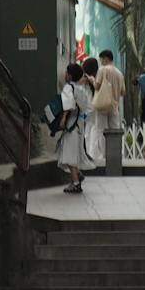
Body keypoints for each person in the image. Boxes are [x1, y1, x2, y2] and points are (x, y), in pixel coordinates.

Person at [55, 62, 94, 194]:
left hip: (71, 124)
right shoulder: (82, 89)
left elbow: (68, 104)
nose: (64, 75)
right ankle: (76, 176)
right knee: (73, 151)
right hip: (79, 124)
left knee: (69, 153)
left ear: (70, 76)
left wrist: (63, 118)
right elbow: (87, 107)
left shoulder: (68, 88)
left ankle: (76, 182)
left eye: (66, 72)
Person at [90, 48, 124, 171]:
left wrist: (92, 80)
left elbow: (97, 86)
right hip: (114, 106)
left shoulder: (102, 70)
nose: (101, 62)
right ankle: (114, 157)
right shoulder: (119, 73)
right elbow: (122, 92)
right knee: (114, 132)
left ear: (105, 58)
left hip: (102, 105)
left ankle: (102, 156)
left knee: (101, 130)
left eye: (101, 59)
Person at [80, 54, 102, 165]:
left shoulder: (85, 79)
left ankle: (89, 154)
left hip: (87, 109)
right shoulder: (96, 78)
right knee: (93, 131)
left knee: (87, 132)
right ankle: (93, 154)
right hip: (94, 108)